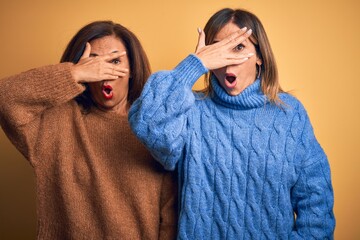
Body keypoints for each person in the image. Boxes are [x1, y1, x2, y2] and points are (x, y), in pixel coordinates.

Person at [129, 8, 335, 239]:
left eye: (238, 47)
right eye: (217, 49)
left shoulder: (289, 114)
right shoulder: (190, 111)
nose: (227, 59)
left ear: (259, 56)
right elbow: (147, 123)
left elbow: (316, 201)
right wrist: (195, 64)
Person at [0, 21, 177, 239]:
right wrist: (73, 74)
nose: (104, 72)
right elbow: (5, 98)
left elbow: (170, 214)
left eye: (114, 61)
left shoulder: (154, 126)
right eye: (93, 63)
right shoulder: (57, 122)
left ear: (132, 69)